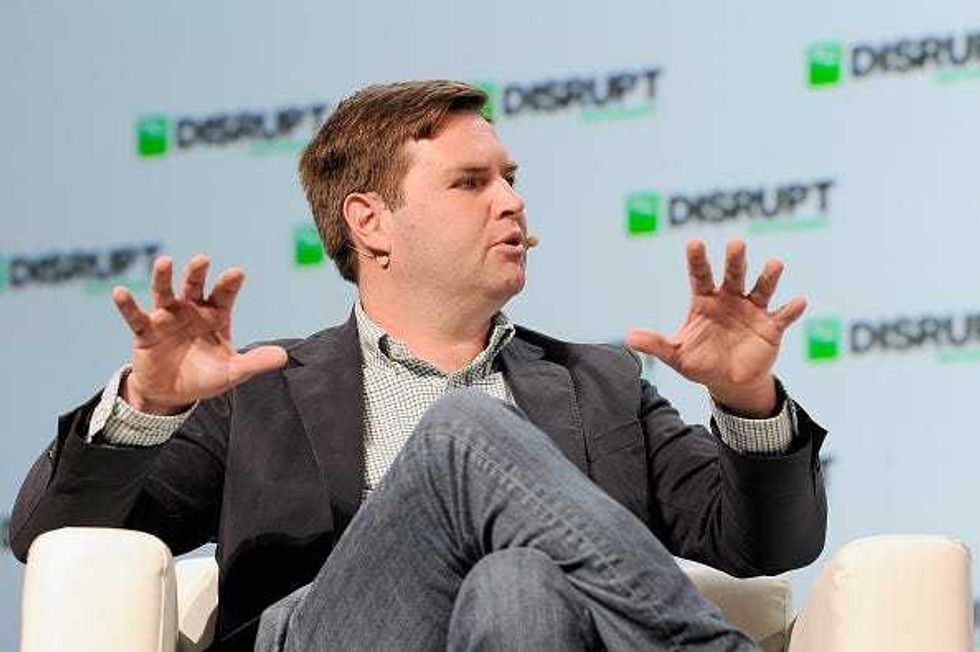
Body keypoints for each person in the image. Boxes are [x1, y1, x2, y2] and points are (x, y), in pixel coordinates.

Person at [11, 81, 826, 651]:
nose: (511, 201)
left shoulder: (600, 386)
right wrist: (149, 402)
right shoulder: (262, 390)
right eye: (472, 182)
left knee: (518, 589)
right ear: (371, 223)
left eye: (510, 178)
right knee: (468, 428)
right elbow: (50, 538)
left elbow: (762, 542)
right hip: (332, 637)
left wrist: (743, 396)